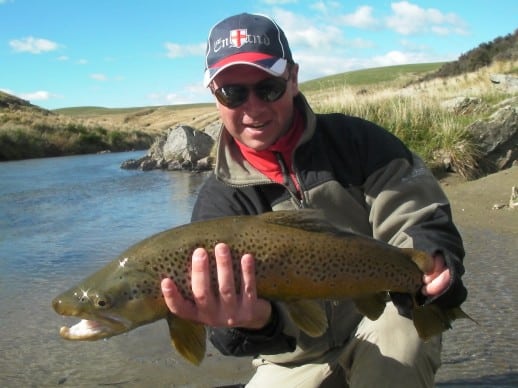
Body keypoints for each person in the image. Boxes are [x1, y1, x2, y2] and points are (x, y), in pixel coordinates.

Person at [161, 12, 467, 387]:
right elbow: (227, 339)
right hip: (292, 359)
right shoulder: (218, 204)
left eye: (268, 87)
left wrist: (431, 257)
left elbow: (416, 218)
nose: (253, 108)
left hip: (383, 321)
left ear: (292, 78)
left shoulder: (360, 143)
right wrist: (254, 323)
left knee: (402, 337)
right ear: (214, 95)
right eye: (233, 93)